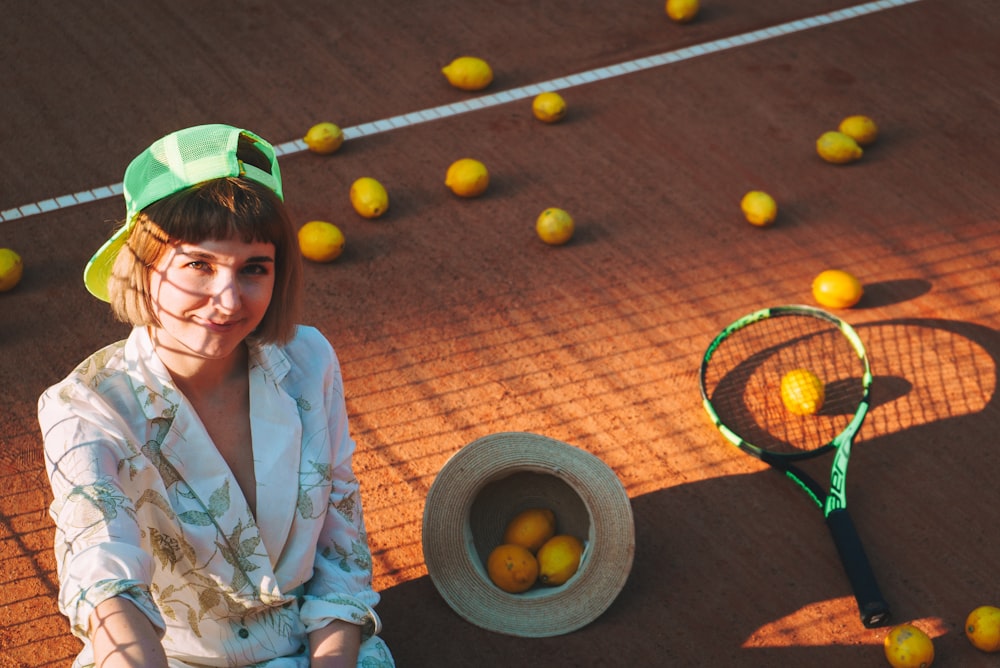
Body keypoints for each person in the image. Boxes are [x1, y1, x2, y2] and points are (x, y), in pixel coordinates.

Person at [38, 124, 395, 668]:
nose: (227, 301)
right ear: (143, 267)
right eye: (198, 265)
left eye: (254, 268)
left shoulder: (310, 361)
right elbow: (100, 568)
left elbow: (339, 549)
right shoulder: (83, 408)